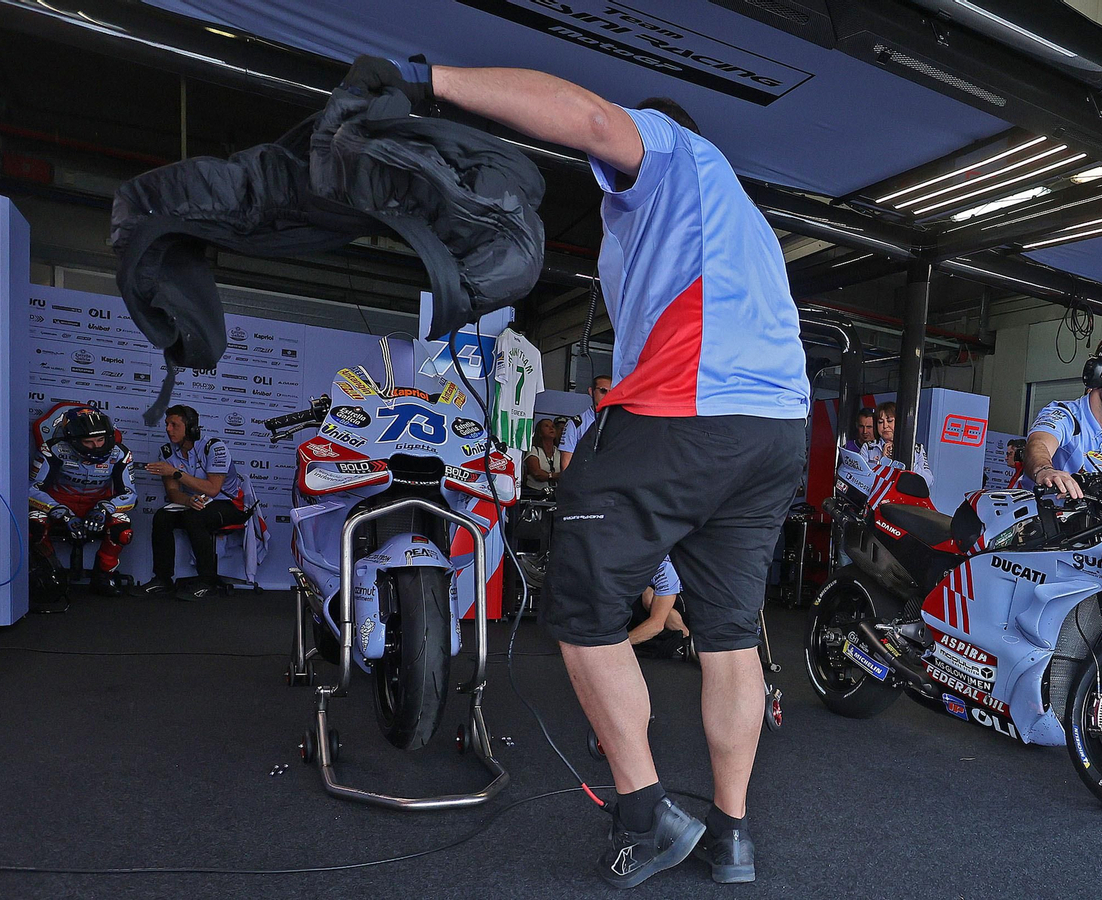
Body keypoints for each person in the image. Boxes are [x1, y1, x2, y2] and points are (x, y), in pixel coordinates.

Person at [340, 58, 810, 886]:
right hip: (775, 431)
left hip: (688, 409)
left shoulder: (674, 154)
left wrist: (427, 81)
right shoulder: (741, 225)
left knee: (583, 610)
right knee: (730, 634)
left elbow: (592, 120)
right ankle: (733, 835)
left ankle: (645, 815)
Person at [138, 405, 253, 600]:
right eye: (167, 424)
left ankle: (208, 582)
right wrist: (188, 500)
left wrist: (176, 473)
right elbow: (173, 492)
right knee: (162, 517)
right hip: (197, 504)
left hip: (229, 504)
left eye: (174, 425)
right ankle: (162, 580)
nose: (168, 429)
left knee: (195, 517)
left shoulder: (214, 448)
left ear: (191, 428)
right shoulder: (167, 452)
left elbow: (213, 489)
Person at [1024, 334, 1102, 499]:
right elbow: (1038, 444)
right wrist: (1045, 470)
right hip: (1042, 512)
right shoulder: (1064, 415)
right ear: (1098, 375)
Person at [27, 406, 136, 596]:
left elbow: (130, 494)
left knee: (122, 529)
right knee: (33, 524)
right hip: (58, 505)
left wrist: (104, 509)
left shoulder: (120, 453)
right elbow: (31, 489)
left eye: (100, 440)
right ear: (74, 440)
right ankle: (51, 573)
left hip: (97, 506)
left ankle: (103, 576)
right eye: (89, 442)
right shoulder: (52, 449)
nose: (97, 446)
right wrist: (62, 512)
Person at [628, 558, 693, 660]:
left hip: (685, 600)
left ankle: (688, 638)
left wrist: (617, 644)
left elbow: (656, 625)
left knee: (649, 598)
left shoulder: (665, 569)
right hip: (651, 585)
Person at [866, 400, 932, 480]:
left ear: (899, 422)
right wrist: (883, 461)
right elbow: (861, 478)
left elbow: (928, 481)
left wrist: (909, 460)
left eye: (890, 421)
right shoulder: (868, 447)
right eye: (880, 422)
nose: (885, 426)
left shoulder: (917, 449)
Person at [558, 375, 611, 472]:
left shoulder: (619, 422)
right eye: (603, 391)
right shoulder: (575, 424)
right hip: (582, 478)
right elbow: (566, 464)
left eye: (611, 392)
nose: (607, 395)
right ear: (591, 392)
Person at [523, 418, 561, 500]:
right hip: (535, 495)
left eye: (553, 426)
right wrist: (556, 476)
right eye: (547, 426)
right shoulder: (534, 450)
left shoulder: (559, 452)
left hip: (555, 495)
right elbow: (537, 474)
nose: (551, 428)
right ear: (540, 433)